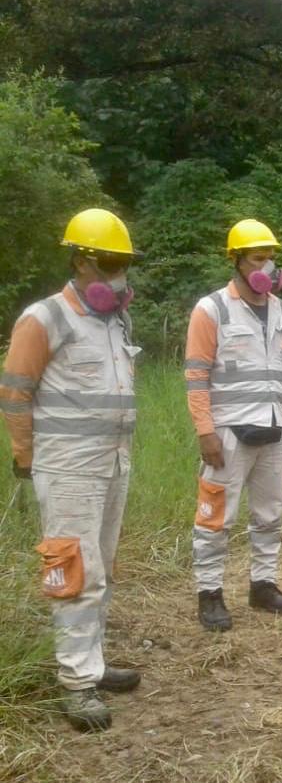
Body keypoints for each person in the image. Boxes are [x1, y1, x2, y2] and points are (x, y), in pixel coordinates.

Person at [0, 208, 142, 730]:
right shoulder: (44, 318)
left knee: (100, 568)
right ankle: (76, 682)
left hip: (112, 464)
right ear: (81, 260)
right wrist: (26, 456)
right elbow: (15, 392)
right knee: (75, 575)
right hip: (67, 470)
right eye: (109, 262)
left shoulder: (116, 319)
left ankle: (93, 663)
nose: (118, 273)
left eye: (123, 263)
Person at [185, 219, 282, 632]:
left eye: (272, 258)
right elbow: (197, 376)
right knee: (216, 518)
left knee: (270, 515)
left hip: (275, 433)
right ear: (237, 261)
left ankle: (263, 586)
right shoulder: (212, 310)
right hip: (227, 435)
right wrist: (205, 431)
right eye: (259, 258)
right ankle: (210, 595)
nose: (269, 266)